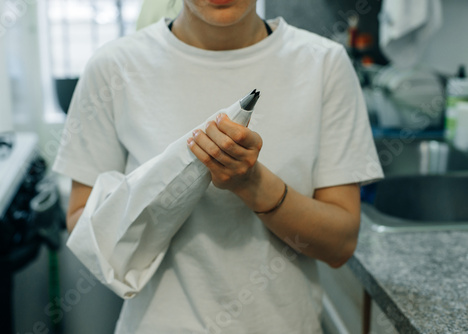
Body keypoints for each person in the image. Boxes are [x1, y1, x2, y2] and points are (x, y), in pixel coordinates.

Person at [52, 0, 383, 333]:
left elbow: (339, 246)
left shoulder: (324, 65)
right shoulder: (113, 68)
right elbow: (82, 224)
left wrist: (253, 186)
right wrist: (162, 191)